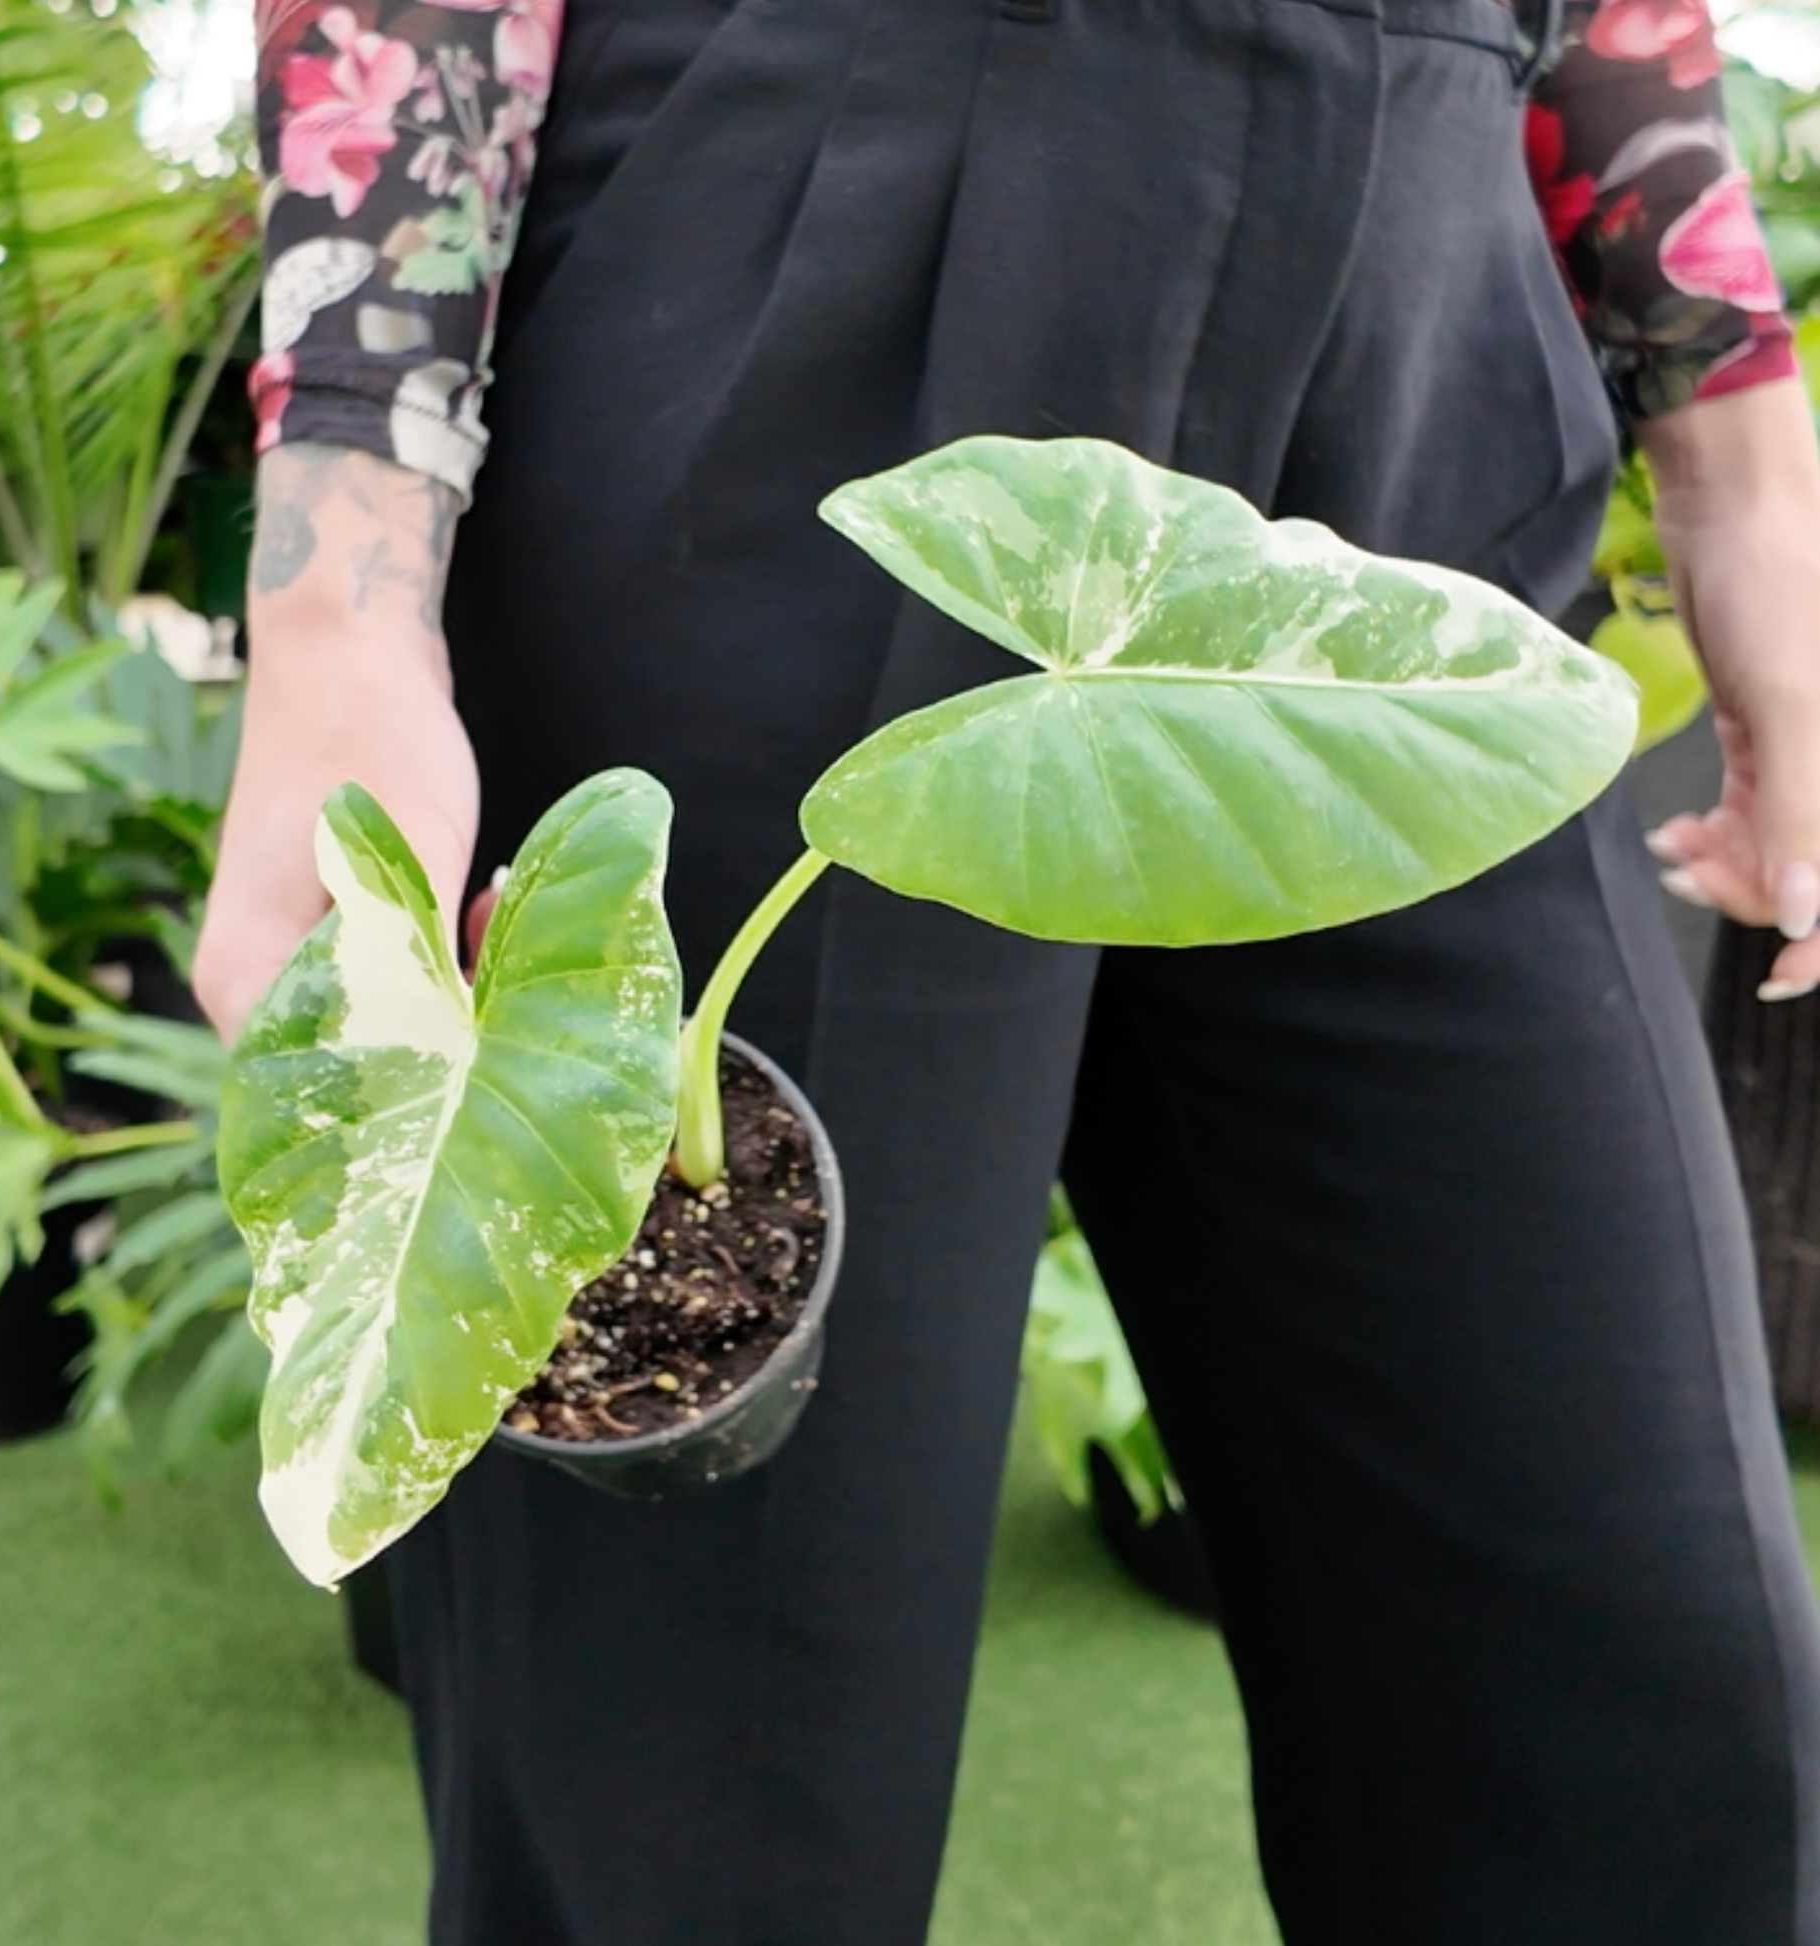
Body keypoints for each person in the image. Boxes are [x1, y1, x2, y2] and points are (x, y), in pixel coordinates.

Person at [199, 0, 1820, 1939]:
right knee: (692, 1795)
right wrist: (340, 575)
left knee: (1635, 1690)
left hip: (1421, 313)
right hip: (808, 263)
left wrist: (1743, 466)